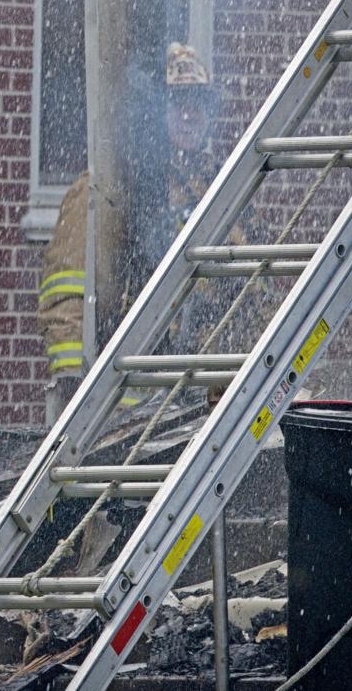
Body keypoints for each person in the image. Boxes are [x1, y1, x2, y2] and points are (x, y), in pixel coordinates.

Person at [37, 43, 223, 420]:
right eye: (177, 103)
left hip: (210, 401)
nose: (189, 115)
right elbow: (66, 293)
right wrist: (78, 390)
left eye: (199, 103)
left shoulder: (223, 189)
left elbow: (255, 291)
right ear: (152, 113)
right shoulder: (111, 186)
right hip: (130, 413)